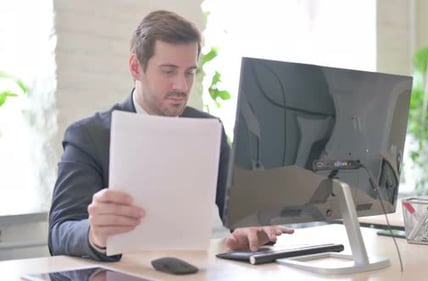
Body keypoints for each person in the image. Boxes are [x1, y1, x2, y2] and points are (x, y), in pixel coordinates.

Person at [48, 10, 293, 261]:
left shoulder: (209, 130)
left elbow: (238, 210)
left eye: (189, 72)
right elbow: (59, 232)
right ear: (136, 67)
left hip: (193, 271)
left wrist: (249, 225)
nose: (182, 86)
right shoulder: (88, 136)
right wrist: (95, 235)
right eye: (168, 71)